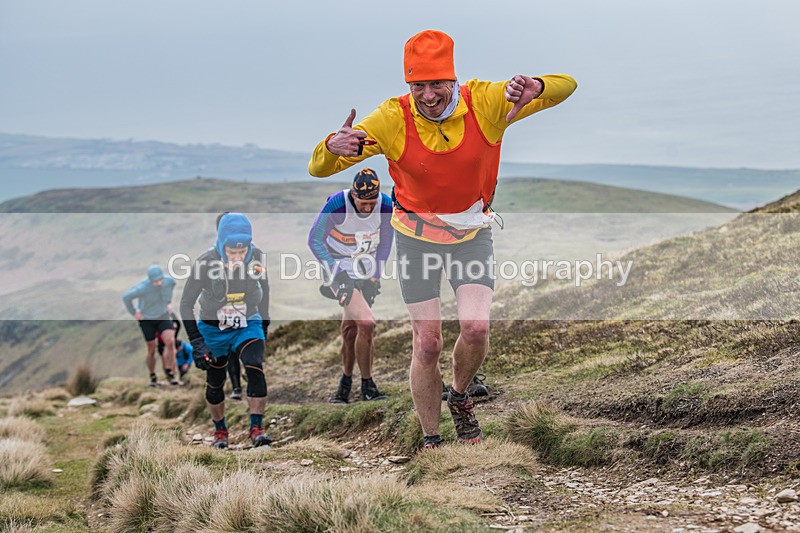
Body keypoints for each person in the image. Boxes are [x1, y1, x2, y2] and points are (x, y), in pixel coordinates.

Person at [309, 30, 576, 449]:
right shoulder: (392, 118)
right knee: (428, 343)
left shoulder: (486, 101)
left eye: (438, 84)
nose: (429, 95)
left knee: (475, 329)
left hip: (471, 235)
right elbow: (319, 167)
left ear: (453, 79)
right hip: (416, 240)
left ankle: (461, 396)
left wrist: (536, 86)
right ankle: (432, 439)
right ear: (408, 85)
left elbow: (567, 85)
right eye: (419, 86)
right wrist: (331, 145)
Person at [180, 213, 272, 448]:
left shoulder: (257, 257)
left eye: (242, 252)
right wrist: (197, 343)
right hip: (213, 328)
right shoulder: (205, 263)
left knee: (254, 366)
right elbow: (185, 304)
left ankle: (256, 429)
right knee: (216, 379)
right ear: (222, 245)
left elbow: (265, 287)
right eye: (232, 252)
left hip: (246, 322)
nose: (238, 257)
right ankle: (220, 432)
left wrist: (263, 322)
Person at [308, 168, 394, 404]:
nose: (367, 208)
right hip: (338, 270)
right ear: (354, 195)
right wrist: (337, 273)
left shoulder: (385, 205)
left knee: (350, 331)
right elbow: (314, 240)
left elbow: (386, 241)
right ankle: (368, 386)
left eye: (371, 202)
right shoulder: (337, 204)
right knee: (367, 323)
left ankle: (344, 386)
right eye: (363, 202)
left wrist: (376, 275)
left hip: (365, 269)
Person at [123, 265, 179, 386]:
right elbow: (126, 297)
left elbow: (171, 286)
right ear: (150, 280)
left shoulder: (169, 281)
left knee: (170, 341)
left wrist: (168, 303)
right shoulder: (142, 287)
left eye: (160, 280)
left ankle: (169, 373)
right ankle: (153, 376)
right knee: (152, 348)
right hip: (146, 319)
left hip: (163, 315)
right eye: (155, 281)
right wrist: (134, 312)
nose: (159, 283)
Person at [156, 315, 193, 379]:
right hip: (161, 345)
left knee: (171, 355)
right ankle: (169, 375)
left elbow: (178, 324)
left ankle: (173, 374)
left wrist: (171, 314)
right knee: (165, 360)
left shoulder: (176, 339)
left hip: (170, 345)